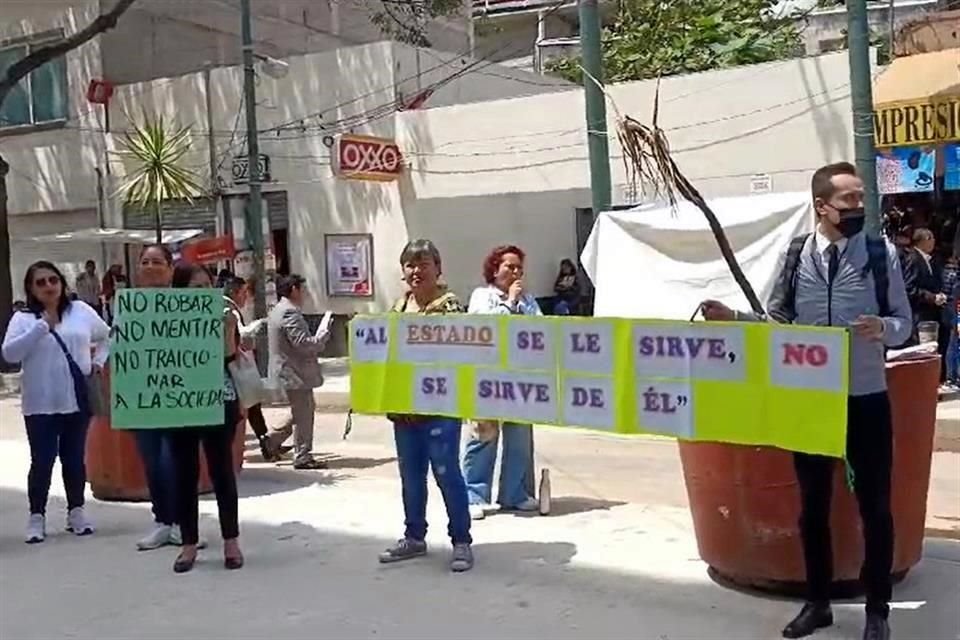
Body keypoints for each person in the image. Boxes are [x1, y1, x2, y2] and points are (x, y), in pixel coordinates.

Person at [700, 162, 911, 640]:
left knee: (875, 506)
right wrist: (735, 317)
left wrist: (885, 329)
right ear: (821, 207)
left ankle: (878, 610)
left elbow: (904, 322)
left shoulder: (881, 255)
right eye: (849, 201)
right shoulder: (796, 255)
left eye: (861, 198)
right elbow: (778, 322)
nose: (859, 207)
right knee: (812, 506)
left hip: (865, 397)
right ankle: (817, 604)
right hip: (809, 399)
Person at [379, 239, 473, 571]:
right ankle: (414, 537)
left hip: (441, 408)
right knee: (411, 476)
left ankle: (461, 541)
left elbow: (465, 357)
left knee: (447, 474)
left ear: (438, 268)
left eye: (423, 263)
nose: (416, 270)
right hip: (404, 410)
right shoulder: (397, 308)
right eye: (410, 264)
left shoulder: (450, 308)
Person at [2, 261, 109, 544]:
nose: (49, 286)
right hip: (40, 403)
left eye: (53, 280)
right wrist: (41, 327)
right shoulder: (23, 319)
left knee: (74, 459)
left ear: (62, 283)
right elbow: (10, 354)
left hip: (76, 400)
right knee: (43, 461)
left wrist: (98, 361)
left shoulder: (81, 312)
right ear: (31, 289)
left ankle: (76, 512)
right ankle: (36, 516)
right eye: (41, 282)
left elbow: (109, 335)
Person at [167, 263, 243, 573]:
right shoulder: (165, 318)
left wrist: (226, 326)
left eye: (205, 286)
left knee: (222, 471)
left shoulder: (223, 312)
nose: (200, 293)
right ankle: (188, 545)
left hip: (217, 398)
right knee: (184, 474)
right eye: (193, 288)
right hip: (179, 403)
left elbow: (229, 355)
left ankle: (231, 542)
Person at [462, 245, 540, 520]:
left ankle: (514, 493)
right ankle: (474, 494)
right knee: (483, 436)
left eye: (519, 267)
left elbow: (540, 329)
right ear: (495, 269)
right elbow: (485, 328)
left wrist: (520, 304)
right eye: (510, 266)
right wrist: (509, 302)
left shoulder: (528, 301)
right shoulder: (482, 296)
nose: (516, 272)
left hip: (520, 377)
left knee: (519, 439)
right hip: (487, 377)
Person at [131, 245, 182, 551]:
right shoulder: (127, 306)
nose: (151, 267)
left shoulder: (185, 304)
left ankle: (181, 522)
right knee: (152, 460)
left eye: (157, 262)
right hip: (142, 397)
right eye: (145, 262)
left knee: (173, 460)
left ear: (170, 269)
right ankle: (162, 521)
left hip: (177, 396)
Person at [265, 274, 330, 469]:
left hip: (290, 371)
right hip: (294, 372)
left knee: (302, 410)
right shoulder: (289, 312)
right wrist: (321, 339)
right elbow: (301, 343)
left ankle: (271, 441)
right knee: (304, 413)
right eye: (303, 289)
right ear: (294, 289)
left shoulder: (279, 310)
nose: (306, 294)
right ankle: (302, 456)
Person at [223, 276, 275, 460]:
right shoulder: (230, 310)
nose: (246, 297)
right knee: (249, 405)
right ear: (234, 292)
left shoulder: (232, 308)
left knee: (253, 407)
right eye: (244, 293)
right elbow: (240, 336)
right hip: (234, 367)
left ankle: (266, 443)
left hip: (236, 365)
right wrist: (257, 325)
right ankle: (265, 444)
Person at [901, 228, 946, 345]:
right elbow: (909, 288)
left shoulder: (931, 260)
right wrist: (931, 297)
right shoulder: (914, 259)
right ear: (920, 241)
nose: (933, 241)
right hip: (920, 315)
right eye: (929, 238)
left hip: (932, 314)